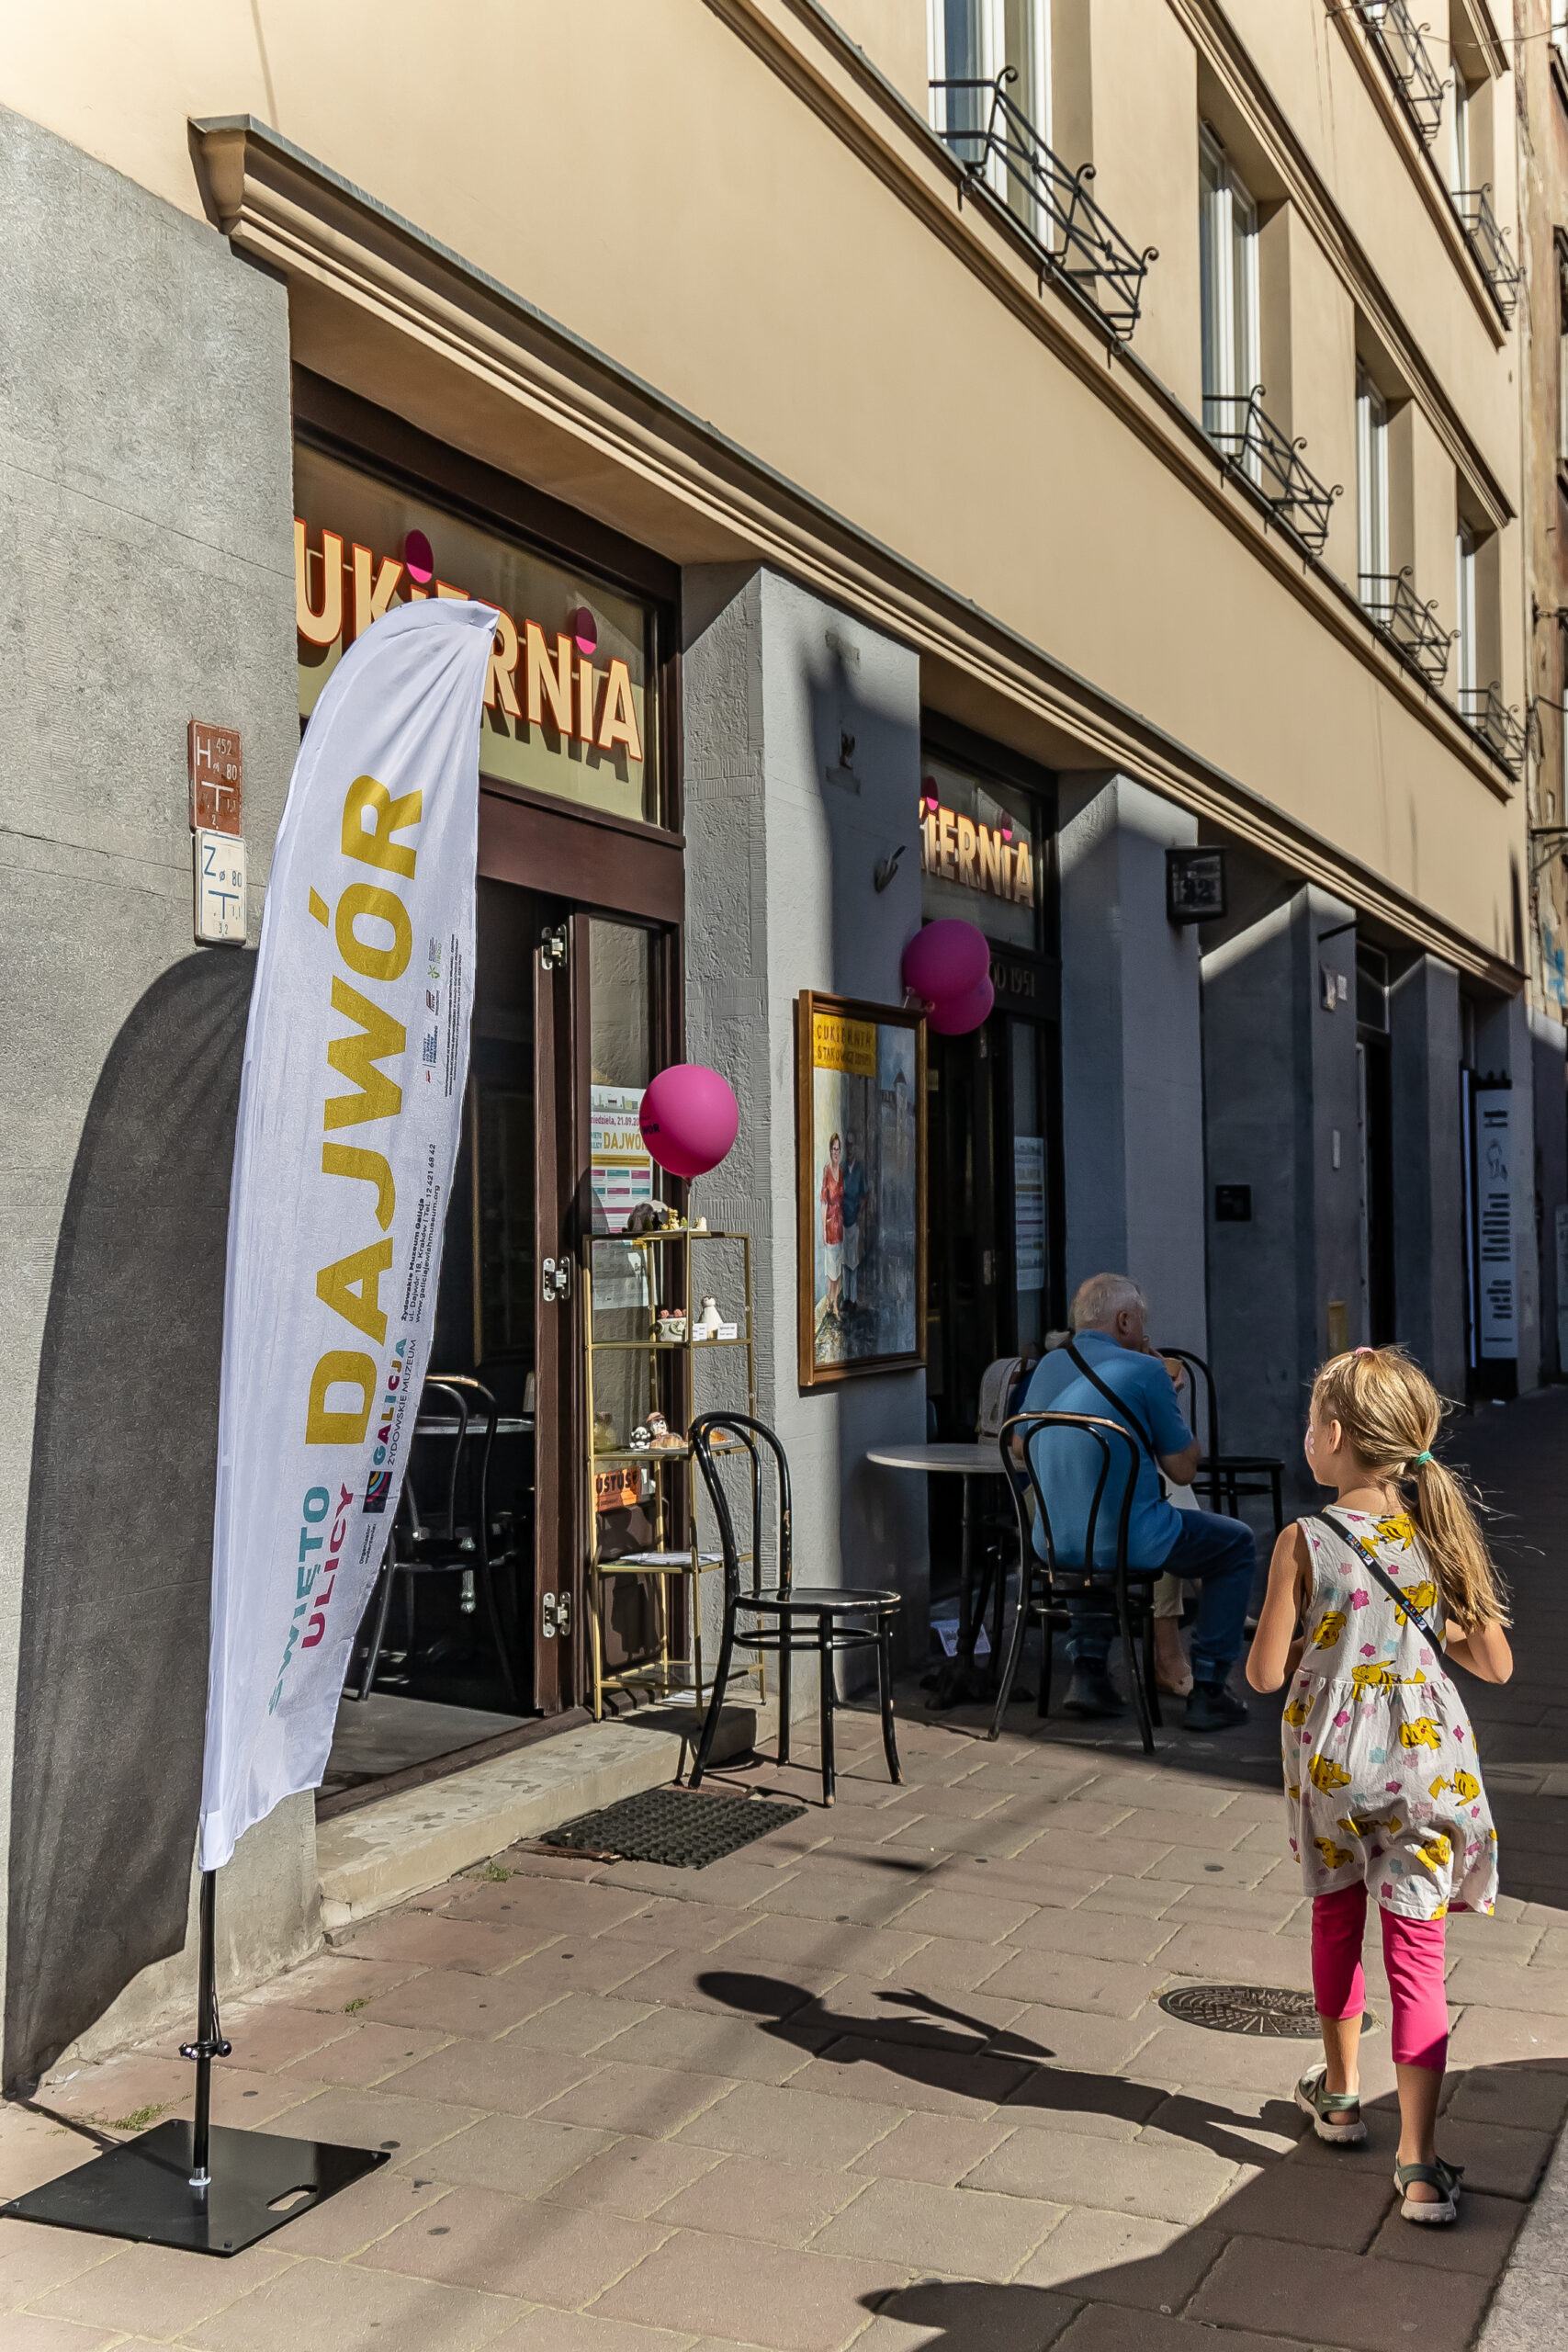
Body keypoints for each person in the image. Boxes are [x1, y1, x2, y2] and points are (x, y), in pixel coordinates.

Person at [1247, 1345, 1510, 2226]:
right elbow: (1495, 1664)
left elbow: (1262, 1674)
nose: (1305, 1436)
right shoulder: (1438, 1535)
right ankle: (1419, 2164)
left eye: (1309, 1423)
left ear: (1332, 1436)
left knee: (1334, 1919)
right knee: (1417, 1958)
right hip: (1426, 1771)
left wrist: (1313, 1635)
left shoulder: (1303, 1539)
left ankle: (1339, 2094)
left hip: (1334, 1769)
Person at [1019, 1272, 1255, 1730]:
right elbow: (1183, 1470)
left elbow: (1019, 1445)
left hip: (1052, 1541)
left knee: (1090, 1538)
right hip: (1130, 1540)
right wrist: (1167, 1398)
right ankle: (1209, 1687)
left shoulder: (1048, 1367)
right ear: (1125, 1321)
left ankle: (1089, 1672)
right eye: (1142, 1322)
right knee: (1236, 1545)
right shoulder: (1147, 1372)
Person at [841, 1132, 868, 1310]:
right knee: (844, 1260)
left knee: (854, 1260)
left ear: (855, 1147)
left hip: (854, 1220)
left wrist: (860, 1214)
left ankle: (854, 1298)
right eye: (847, 1145)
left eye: (852, 1145)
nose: (850, 1148)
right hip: (842, 1219)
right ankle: (846, 1298)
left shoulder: (859, 1169)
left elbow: (865, 1194)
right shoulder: (842, 1167)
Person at [819, 1133, 843, 1321]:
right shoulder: (826, 1171)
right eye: (833, 1149)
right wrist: (823, 1230)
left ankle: (832, 1301)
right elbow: (824, 1202)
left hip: (841, 1225)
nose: (835, 1152)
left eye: (838, 1149)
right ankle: (832, 1303)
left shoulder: (841, 1172)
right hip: (830, 1225)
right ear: (830, 1151)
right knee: (832, 1270)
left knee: (838, 1267)